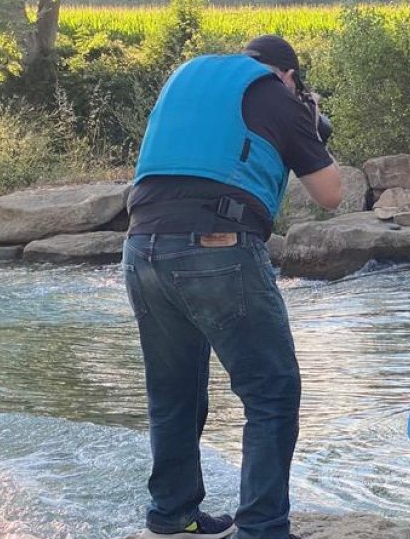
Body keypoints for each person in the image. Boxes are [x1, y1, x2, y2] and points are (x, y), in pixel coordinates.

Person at [123, 34, 343, 539]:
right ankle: (262, 527)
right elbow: (331, 194)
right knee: (271, 390)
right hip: (217, 245)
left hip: (140, 248)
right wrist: (309, 125)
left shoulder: (184, 79)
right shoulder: (278, 95)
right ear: (287, 74)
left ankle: (172, 514)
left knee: (172, 389)